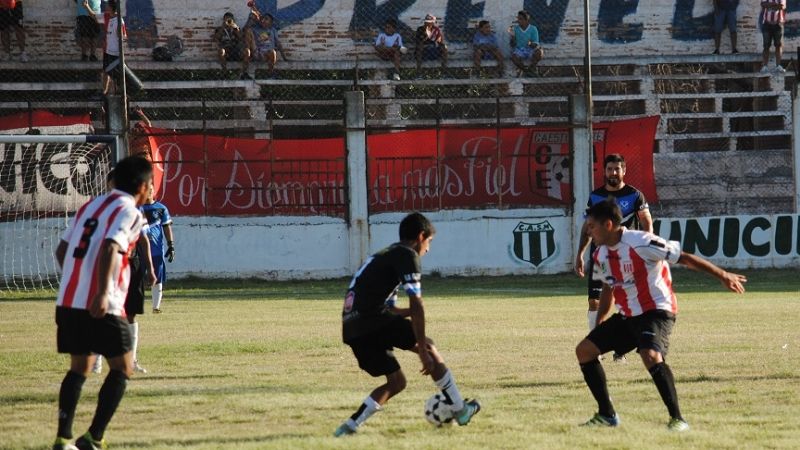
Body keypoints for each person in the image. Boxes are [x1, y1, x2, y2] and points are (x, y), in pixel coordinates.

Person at [575, 199, 746, 431]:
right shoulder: (601, 254)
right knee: (584, 351)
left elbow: (683, 257)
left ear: (607, 225)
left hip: (657, 311)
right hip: (627, 316)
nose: (588, 231)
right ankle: (607, 414)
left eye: (592, 226)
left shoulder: (641, 241)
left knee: (650, 355)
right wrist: (599, 323)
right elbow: (608, 289)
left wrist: (722, 275)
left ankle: (678, 419)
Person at [334, 212, 481, 437]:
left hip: (353, 328)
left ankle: (348, 428)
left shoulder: (384, 255)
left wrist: (409, 312)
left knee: (396, 382)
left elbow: (391, 309)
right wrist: (421, 347)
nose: (428, 249)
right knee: (430, 347)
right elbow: (416, 301)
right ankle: (461, 410)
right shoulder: (407, 255)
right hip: (371, 320)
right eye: (429, 242)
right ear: (421, 236)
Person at [51, 156, 153, 450]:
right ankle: (94, 437)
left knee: (79, 368)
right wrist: (102, 292)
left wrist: (77, 281)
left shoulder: (90, 206)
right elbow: (111, 246)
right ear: (143, 187)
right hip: (103, 304)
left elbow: (62, 250)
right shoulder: (131, 212)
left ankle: (62, 437)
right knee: (123, 368)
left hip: (69, 301)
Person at [574, 153, 653, 361]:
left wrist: (648, 247)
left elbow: (646, 222)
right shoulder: (595, 197)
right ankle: (595, 346)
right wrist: (580, 253)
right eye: (610, 169)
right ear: (605, 171)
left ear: (624, 171)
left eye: (617, 169)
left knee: (630, 303)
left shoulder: (635, 195)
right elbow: (587, 227)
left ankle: (621, 350)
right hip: (601, 258)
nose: (613, 173)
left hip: (628, 258)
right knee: (594, 301)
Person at [93, 170, 157, 376]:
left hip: (132, 265)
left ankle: (132, 359)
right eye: (113, 185)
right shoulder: (99, 208)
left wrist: (150, 268)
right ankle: (96, 360)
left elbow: (143, 240)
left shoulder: (135, 210)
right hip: (109, 264)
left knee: (130, 313)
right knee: (105, 311)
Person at [141, 183, 174, 314]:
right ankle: (134, 306)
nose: (148, 192)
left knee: (157, 277)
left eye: (150, 190)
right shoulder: (137, 209)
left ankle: (156, 307)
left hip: (156, 251)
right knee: (136, 278)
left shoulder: (161, 208)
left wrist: (171, 245)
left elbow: (167, 227)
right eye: (145, 190)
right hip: (138, 251)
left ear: (154, 191)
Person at [246, 12, 287, 79]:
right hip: (258, 53)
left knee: (272, 52)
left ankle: (270, 73)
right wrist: (252, 20)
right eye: (262, 19)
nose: (263, 21)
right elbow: (245, 31)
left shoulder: (273, 30)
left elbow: (278, 44)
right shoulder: (255, 29)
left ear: (271, 22)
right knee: (248, 31)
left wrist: (284, 57)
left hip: (268, 54)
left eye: (266, 19)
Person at [213, 12, 251, 80]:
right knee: (221, 51)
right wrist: (223, 28)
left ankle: (244, 73)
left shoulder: (235, 28)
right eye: (226, 19)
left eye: (230, 20)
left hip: (236, 50)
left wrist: (236, 28)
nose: (228, 21)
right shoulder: (219, 29)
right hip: (226, 52)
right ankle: (225, 72)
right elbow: (216, 38)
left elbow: (241, 38)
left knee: (247, 51)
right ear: (223, 20)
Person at [101, 0, 126, 96]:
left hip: (116, 52)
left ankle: (119, 93)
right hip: (108, 51)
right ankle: (105, 93)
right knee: (105, 72)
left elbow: (123, 36)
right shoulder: (107, 16)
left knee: (115, 74)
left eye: (107, 4)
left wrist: (119, 33)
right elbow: (94, 16)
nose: (106, 5)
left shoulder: (119, 20)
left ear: (111, 7)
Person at [509, 10, 543, 77]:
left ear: (526, 20)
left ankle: (532, 68)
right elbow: (512, 45)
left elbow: (536, 43)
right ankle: (526, 71)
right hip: (520, 49)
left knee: (540, 52)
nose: (518, 20)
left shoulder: (533, 29)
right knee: (513, 57)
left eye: (520, 19)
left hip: (530, 49)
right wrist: (512, 38)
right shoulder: (515, 29)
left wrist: (530, 44)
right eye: (518, 18)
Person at [760, 0, 786, 73]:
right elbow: (763, 4)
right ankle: (765, 66)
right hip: (766, 23)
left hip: (778, 24)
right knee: (766, 46)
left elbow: (782, 6)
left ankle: (778, 66)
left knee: (778, 45)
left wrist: (769, 5)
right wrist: (775, 4)